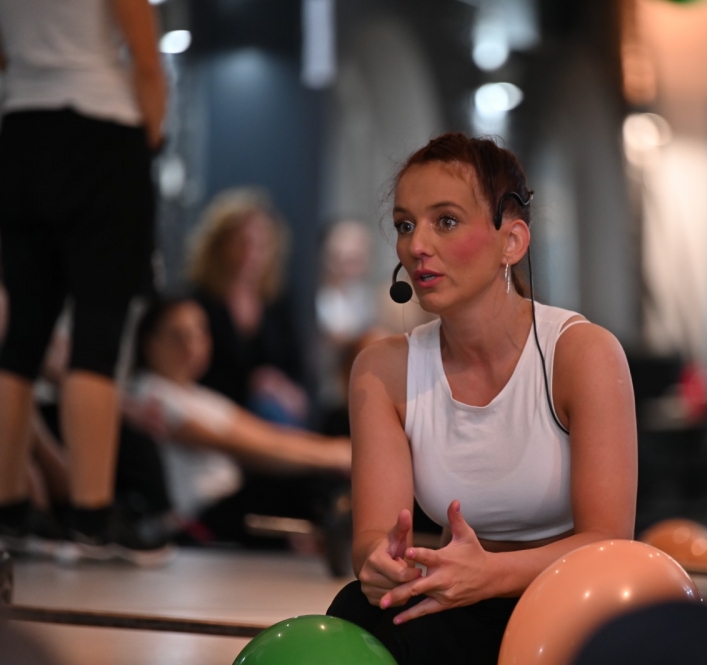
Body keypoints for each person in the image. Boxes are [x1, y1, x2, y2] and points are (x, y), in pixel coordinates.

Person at [324, 133, 638, 664]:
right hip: (457, 590)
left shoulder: (584, 354)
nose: (417, 246)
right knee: (358, 609)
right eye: (405, 225)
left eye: (445, 221)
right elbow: (372, 536)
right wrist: (379, 563)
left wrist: (489, 574)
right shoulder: (381, 369)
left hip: (572, 600)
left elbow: (609, 541)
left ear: (511, 242)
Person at [0, 0, 167, 561]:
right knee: (99, 330)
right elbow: (147, 62)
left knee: (21, 337)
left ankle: (9, 510)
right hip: (101, 128)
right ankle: (92, 517)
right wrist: (150, 142)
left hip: (21, 129)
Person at [123, 295, 351, 546]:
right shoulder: (149, 393)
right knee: (306, 483)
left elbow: (270, 434)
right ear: (150, 343)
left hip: (228, 504)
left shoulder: (202, 396)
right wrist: (335, 455)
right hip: (197, 519)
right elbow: (255, 448)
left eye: (199, 333)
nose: (191, 346)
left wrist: (339, 451)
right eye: (178, 335)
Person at [186, 187, 308, 425]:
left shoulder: (276, 302)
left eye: (261, 245)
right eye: (242, 243)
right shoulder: (198, 302)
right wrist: (252, 384)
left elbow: (295, 368)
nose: (251, 254)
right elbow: (194, 373)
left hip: (273, 414)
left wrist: (282, 386)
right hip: (216, 412)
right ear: (220, 245)